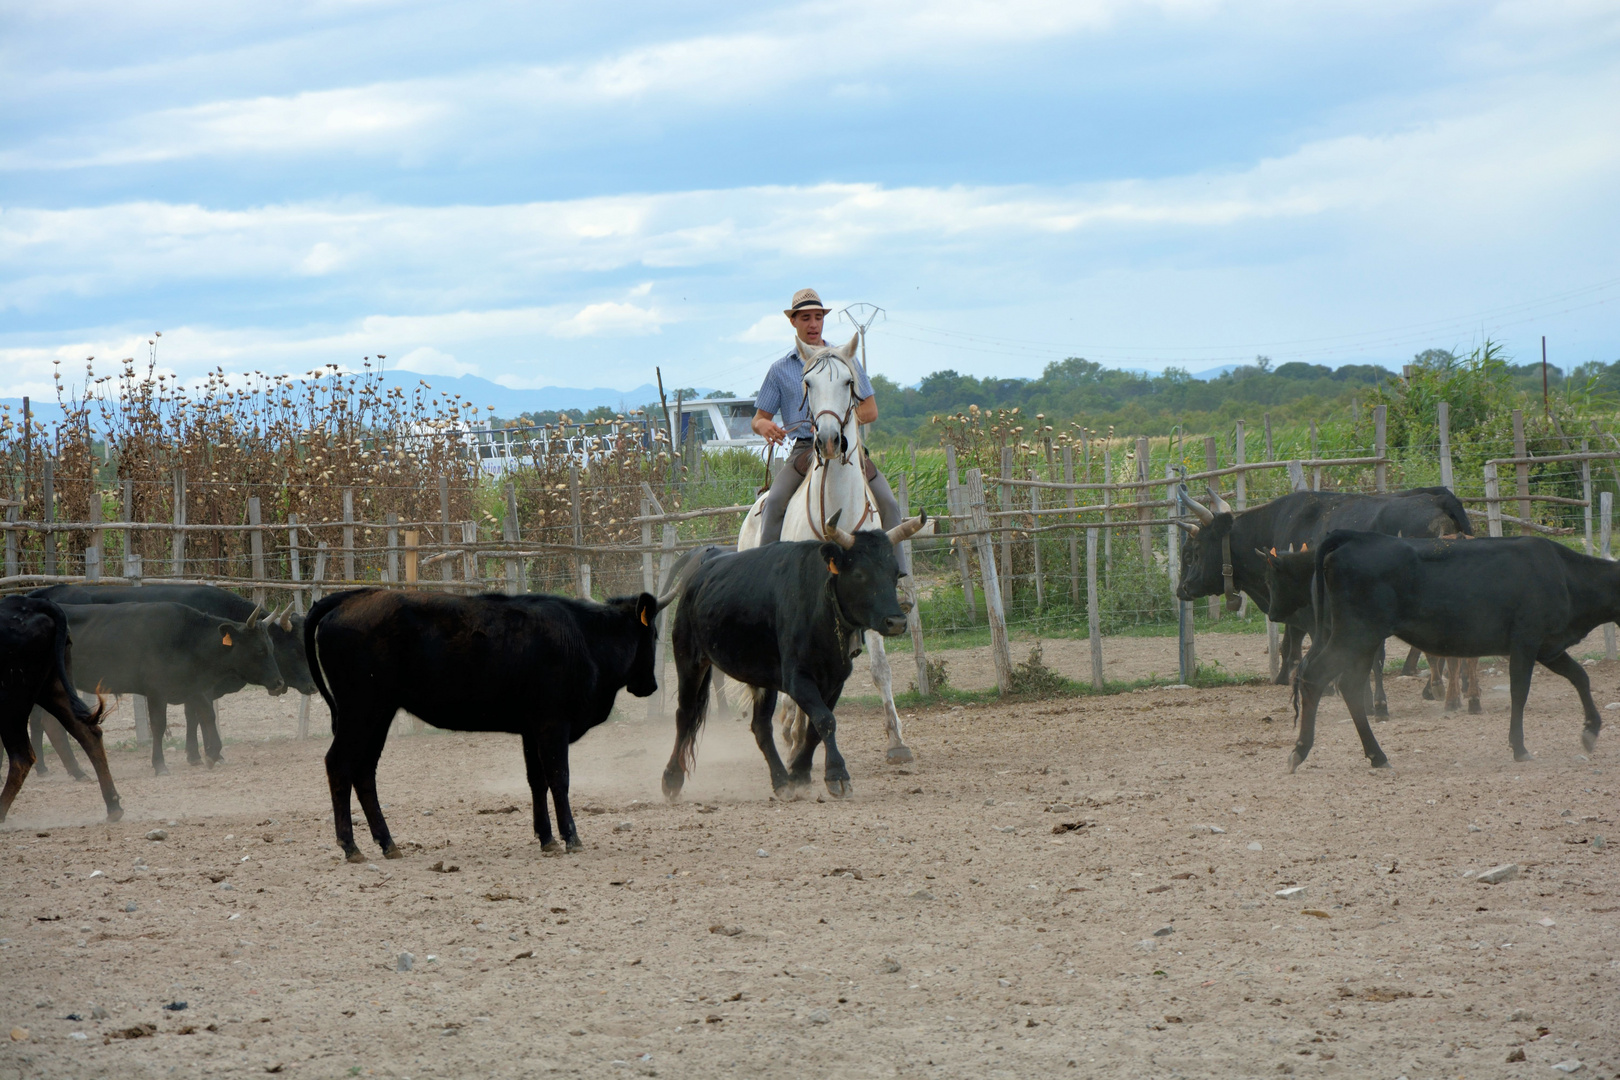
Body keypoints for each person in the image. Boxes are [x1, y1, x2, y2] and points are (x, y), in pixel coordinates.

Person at [751, 287, 906, 570]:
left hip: (847, 446)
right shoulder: (780, 369)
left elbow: (870, 410)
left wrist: (834, 423)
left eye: (818, 317)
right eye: (806, 318)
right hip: (803, 449)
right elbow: (759, 418)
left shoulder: (846, 359)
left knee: (889, 504)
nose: (813, 324)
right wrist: (765, 426)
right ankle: (764, 574)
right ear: (793, 321)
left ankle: (900, 581)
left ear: (823, 320)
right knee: (773, 504)